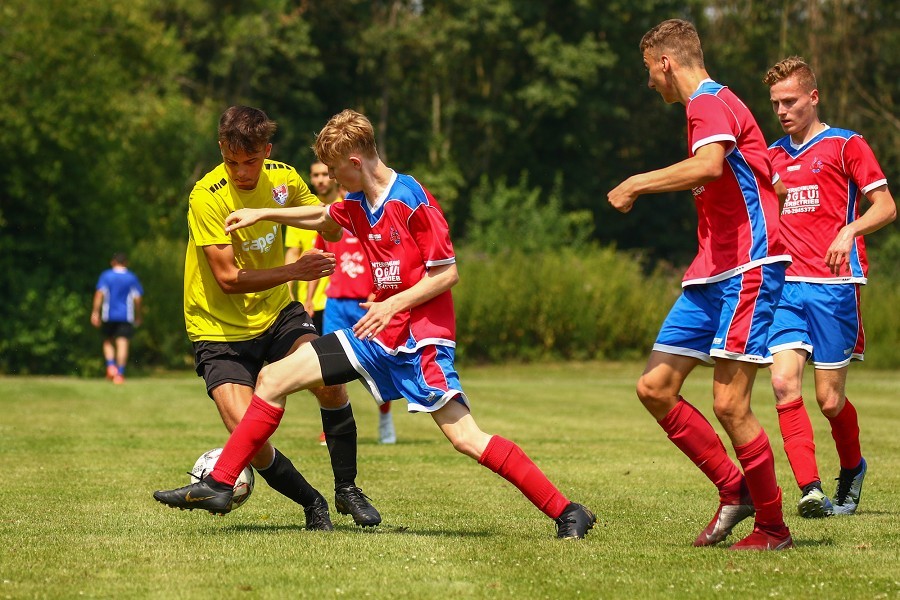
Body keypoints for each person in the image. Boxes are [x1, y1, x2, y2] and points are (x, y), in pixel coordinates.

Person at [153, 109, 596, 540]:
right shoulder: (359, 202)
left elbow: (447, 273)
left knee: (466, 438)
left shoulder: (411, 199)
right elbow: (322, 218)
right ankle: (220, 481)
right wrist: (263, 214)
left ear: (354, 162)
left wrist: (392, 304)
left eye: (331, 169)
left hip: (419, 343)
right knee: (274, 378)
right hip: (374, 336)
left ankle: (566, 510)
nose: (327, 179)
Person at [607, 19, 793, 550]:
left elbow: (710, 166)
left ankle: (773, 528)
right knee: (655, 388)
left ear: (666, 62)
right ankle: (734, 491)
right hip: (711, 271)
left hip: (746, 270)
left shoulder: (708, 102)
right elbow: (769, 178)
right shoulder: (716, 106)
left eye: (649, 71)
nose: (650, 84)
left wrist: (635, 183)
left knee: (731, 405)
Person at [158, 105, 382, 531]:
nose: (243, 172)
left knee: (329, 382)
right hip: (217, 329)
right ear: (222, 149)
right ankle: (312, 503)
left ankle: (347, 488)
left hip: (279, 313)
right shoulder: (206, 196)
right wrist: (295, 271)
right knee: (251, 437)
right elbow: (227, 278)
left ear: (267, 150)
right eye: (232, 162)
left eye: (251, 161)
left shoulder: (283, 176)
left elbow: (322, 217)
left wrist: (334, 226)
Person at [763, 57, 896, 518]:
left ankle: (853, 468)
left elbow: (886, 206)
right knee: (783, 384)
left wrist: (850, 230)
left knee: (829, 400)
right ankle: (810, 489)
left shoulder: (846, 145)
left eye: (791, 101)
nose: (782, 110)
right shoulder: (773, 156)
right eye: (776, 103)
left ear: (813, 97)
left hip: (834, 286)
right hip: (786, 288)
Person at [308, 193, 398, 445]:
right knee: (330, 369)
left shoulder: (375, 218)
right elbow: (319, 258)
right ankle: (333, 429)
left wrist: (380, 293)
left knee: (377, 367)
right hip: (336, 303)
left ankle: (385, 420)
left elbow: (389, 259)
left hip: (366, 304)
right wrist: (309, 298)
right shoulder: (333, 218)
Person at [284, 161, 340, 335]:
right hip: (308, 303)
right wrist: (287, 288)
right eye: (316, 175)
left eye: (324, 174)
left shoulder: (346, 207)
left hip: (339, 299)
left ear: (335, 176)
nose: (321, 180)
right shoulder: (302, 212)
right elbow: (293, 252)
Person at [90, 252, 143, 384]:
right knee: (123, 343)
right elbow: (137, 298)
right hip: (126, 316)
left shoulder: (106, 276)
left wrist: (95, 312)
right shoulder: (131, 278)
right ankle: (120, 374)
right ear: (126, 263)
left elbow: (99, 294)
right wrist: (138, 315)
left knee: (107, 341)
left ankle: (111, 366)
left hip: (109, 315)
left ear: (113, 262)